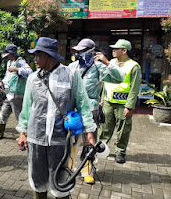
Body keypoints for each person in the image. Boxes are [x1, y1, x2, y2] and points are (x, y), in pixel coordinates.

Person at [16, 37, 96, 199]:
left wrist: (89, 132)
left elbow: (83, 104)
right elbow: (26, 108)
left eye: (39, 55)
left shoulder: (71, 76)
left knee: (61, 181)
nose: (35, 59)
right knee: (38, 180)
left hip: (60, 140)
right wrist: (22, 132)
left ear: (49, 56)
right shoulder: (33, 78)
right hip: (36, 138)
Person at [69, 38, 123, 184]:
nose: (78, 54)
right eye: (77, 51)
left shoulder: (98, 67)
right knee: (71, 141)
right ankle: (68, 167)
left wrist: (107, 62)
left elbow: (119, 79)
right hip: (73, 111)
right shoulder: (72, 66)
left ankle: (87, 170)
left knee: (89, 141)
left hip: (91, 109)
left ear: (91, 52)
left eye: (81, 51)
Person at [98, 39, 141, 164]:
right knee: (105, 127)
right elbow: (104, 81)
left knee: (123, 129)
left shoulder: (134, 66)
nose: (113, 50)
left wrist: (130, 106)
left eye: (116, 49)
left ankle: (120, 151)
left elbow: (134, 88)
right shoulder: (111, 62)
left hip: (123, 104)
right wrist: (102, 99)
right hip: (108, 102)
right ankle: (101, 148)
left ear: (124, 50)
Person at [0, 44, 33, 140]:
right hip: (9, 93)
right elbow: (8, 76)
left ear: (12, 53)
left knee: (19, 116)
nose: (7, 56)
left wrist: (17, 69)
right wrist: (1, 83)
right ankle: (1, 132)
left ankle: (23, 135)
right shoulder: (9, 62)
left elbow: (30, 72)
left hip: (18, 94)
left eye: (8, 54)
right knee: (3, 114)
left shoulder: (20, 62)